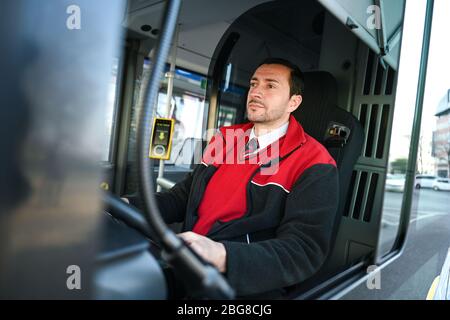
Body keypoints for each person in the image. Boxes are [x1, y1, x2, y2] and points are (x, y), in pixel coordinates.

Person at [155, 57, 339, 298]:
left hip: (244, 280)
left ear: (293, 102)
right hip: (188, 261)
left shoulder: (315, 162)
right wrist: (128, 206)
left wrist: (223, 255)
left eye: (270, 86)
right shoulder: (224, 138)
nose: (256, 92)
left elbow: (303, 250)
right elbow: (183, 197)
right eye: (254, 84)